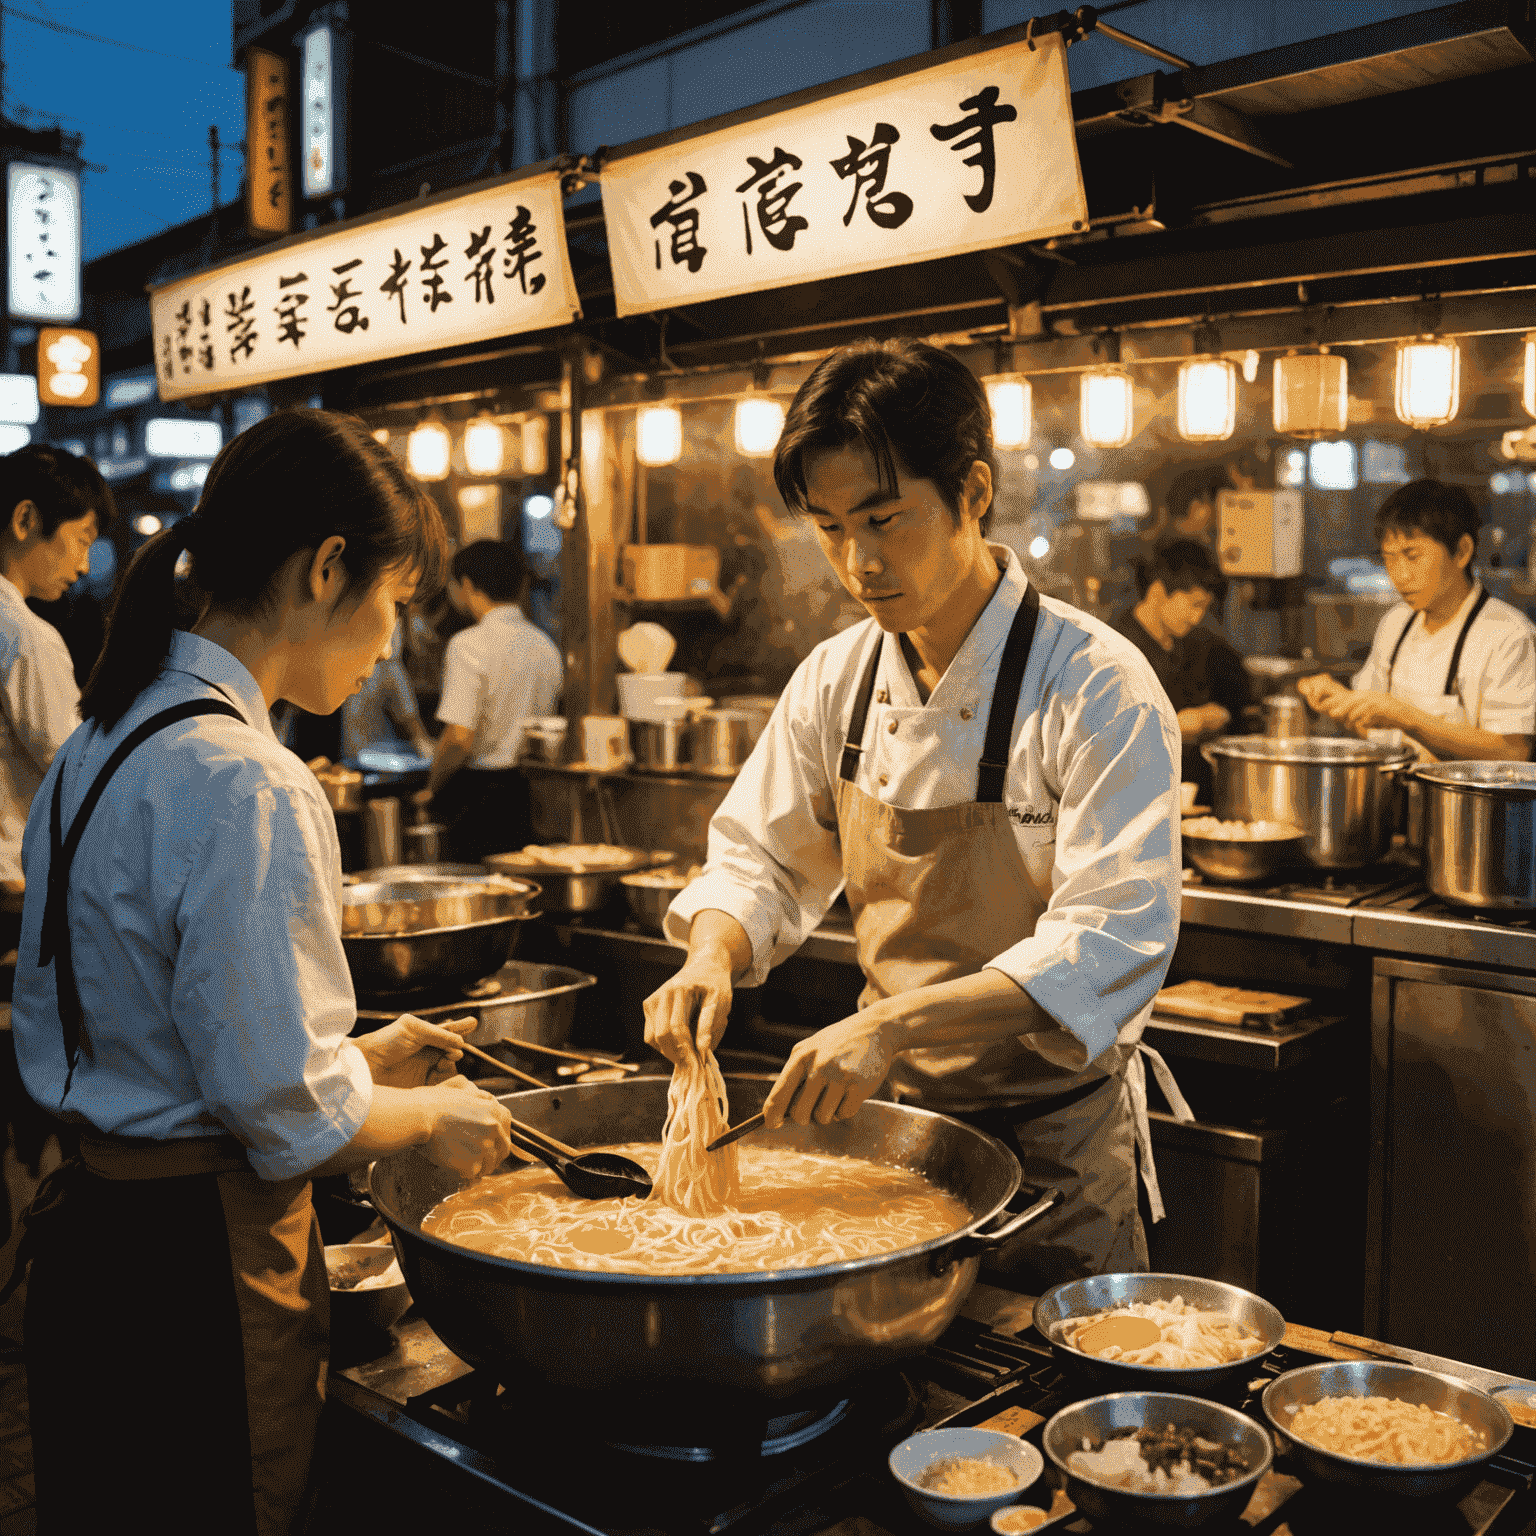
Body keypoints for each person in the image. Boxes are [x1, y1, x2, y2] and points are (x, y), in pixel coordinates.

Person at [5, 409, 513, 1535]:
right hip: (195, 1268)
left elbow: (163, 1019)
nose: (389, 642)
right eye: (390, 601)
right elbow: (284, 1113)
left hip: (88, 1239)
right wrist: (429, 1114)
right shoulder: (252, 779)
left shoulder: (103, 736)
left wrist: (357, 1059)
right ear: (328, 568)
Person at [644, 338, 1190, 1291]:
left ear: (973, 491)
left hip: (1057, 1151)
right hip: (892, 1144)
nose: (857, 560)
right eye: (827, 527)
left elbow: (1109, 940)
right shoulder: (837, 678)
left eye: (885, 519)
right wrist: (711, 955)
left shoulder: (1098, 685)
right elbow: (760, 862)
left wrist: (892, 1027)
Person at [1298, 479, 1535, 762]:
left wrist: (1405, 717)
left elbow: (1514, 751)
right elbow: (1373, 721)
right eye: (1389, 558)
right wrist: (1341, 701)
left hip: (1463, 806)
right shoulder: (1396, 622)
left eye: (1413, 556)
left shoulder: (1509, 635)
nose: (1400, 576)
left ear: (1461, 551)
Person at [0, 444, 113, 890]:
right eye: (82, 539)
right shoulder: (26, 638)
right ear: (26, 520)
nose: (84, 566)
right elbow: (74, 768)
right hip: (10, 885)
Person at [414, 539, 562, 860]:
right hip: (534, 793)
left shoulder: (468, 645)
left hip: (481, 800)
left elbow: (459, 739)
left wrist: (432, 788)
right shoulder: (545, 645)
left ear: (465, 585)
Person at [1115, 540, 1251, 801]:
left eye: (1204, 608)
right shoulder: (1115, 647)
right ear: (1157, 592)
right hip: (1136, 799)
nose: (1197, 617)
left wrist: (1223, 712)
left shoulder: (1202, 644)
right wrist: (1174, 725)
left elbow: (1240, 694)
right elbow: (1105, 739)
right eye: (1194, 604)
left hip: (1197, 798)